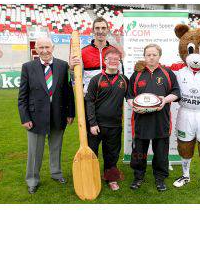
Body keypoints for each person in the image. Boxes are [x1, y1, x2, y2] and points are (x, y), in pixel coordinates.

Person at [18, 37, 75, 194]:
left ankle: (56, 173)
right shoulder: (28, 67)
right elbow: (22, 96)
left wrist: (70, 113)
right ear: (35, 49)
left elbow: (67, 92)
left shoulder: (63, 66)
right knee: (35, 152)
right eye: (40, 47)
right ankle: (32, 180)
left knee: (56, 148)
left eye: (47, 47)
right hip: (35, 118)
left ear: (53, 47)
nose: (44, 50)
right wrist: (25, 118)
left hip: (58, 115)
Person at [127, 44, 180, 192]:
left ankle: (160, 178)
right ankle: (138, 176)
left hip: (161, 121)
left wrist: (164, 100)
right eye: (148, 54)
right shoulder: (137, 74)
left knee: (161, 152)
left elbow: (176, 92)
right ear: (144, 56)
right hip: (141, 121)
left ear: (159, 56)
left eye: (154, 54)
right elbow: (129, 95)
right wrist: (135, 105)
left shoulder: (167, 73)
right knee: (139, 152)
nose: (151, 57)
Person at [84, 48, 128, 191]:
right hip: (96, 126)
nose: (114, 62)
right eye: (111, 59)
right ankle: (91, 177)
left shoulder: (124, 80)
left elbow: (131, 98)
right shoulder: (96, 79)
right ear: (105, 61)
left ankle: (111, 179)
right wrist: (92, 123)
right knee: (92, 153)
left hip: (115, 125)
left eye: (117, 59)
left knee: (112, 154)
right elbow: (89, 101)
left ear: (119, 61)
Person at [69, 17, 124, 93]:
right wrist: (72, 70)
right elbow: (76, 79)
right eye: (97, 28)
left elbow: (121, 76)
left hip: (110, 98)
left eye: (103, 28)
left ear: (107, 30)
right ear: (93, 30)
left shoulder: (115, 51)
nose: (100, 31)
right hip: (90, 98)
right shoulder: (83, 52)